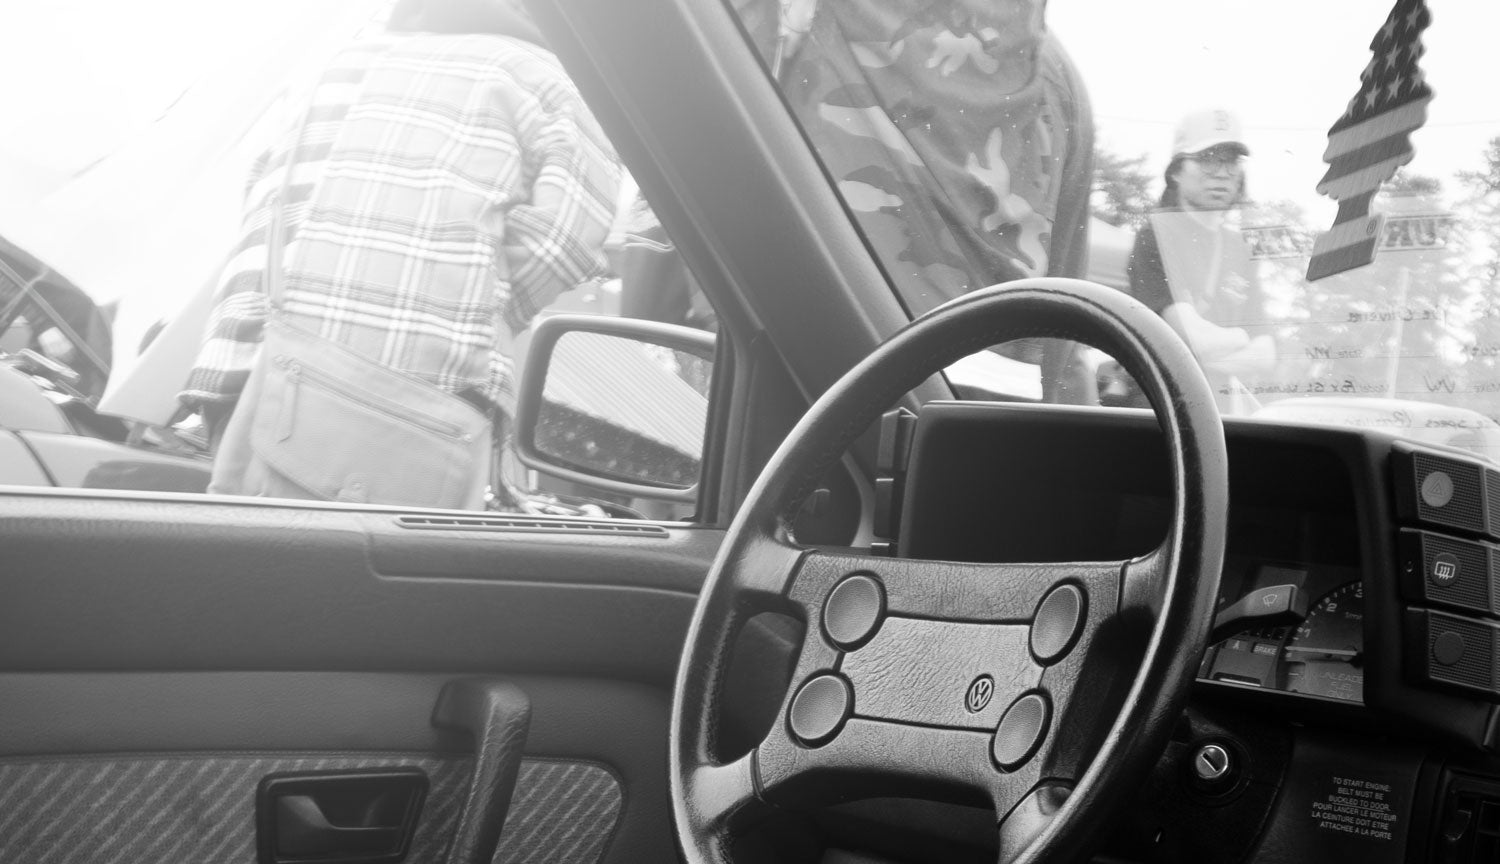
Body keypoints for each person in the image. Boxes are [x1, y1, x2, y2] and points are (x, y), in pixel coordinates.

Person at [179, 0, 620, 504]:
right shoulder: (546, 80)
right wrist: (473, 300)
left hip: (245, 375)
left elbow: (261, 203)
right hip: (397, 402)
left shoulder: (340, 60)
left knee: (254, 541)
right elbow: (564, 244)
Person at [623, 0, 1094, 400]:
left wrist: (633, 380)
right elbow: (1064, 324)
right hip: (972, 430)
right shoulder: (1051, 75)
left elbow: (672, 190)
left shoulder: (786, 14)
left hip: (785, 403)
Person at [1127, 107, 1275, 407]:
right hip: (1162, 408)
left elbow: (1267, 354)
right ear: (1176, 171)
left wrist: (1210, 349)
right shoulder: (1156, 234)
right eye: (1207, 159)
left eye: (1231, 162)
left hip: (1221, 413)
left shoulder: (1240, 248)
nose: (1221, 173)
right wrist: (1240, 338)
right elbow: (1190, 338)